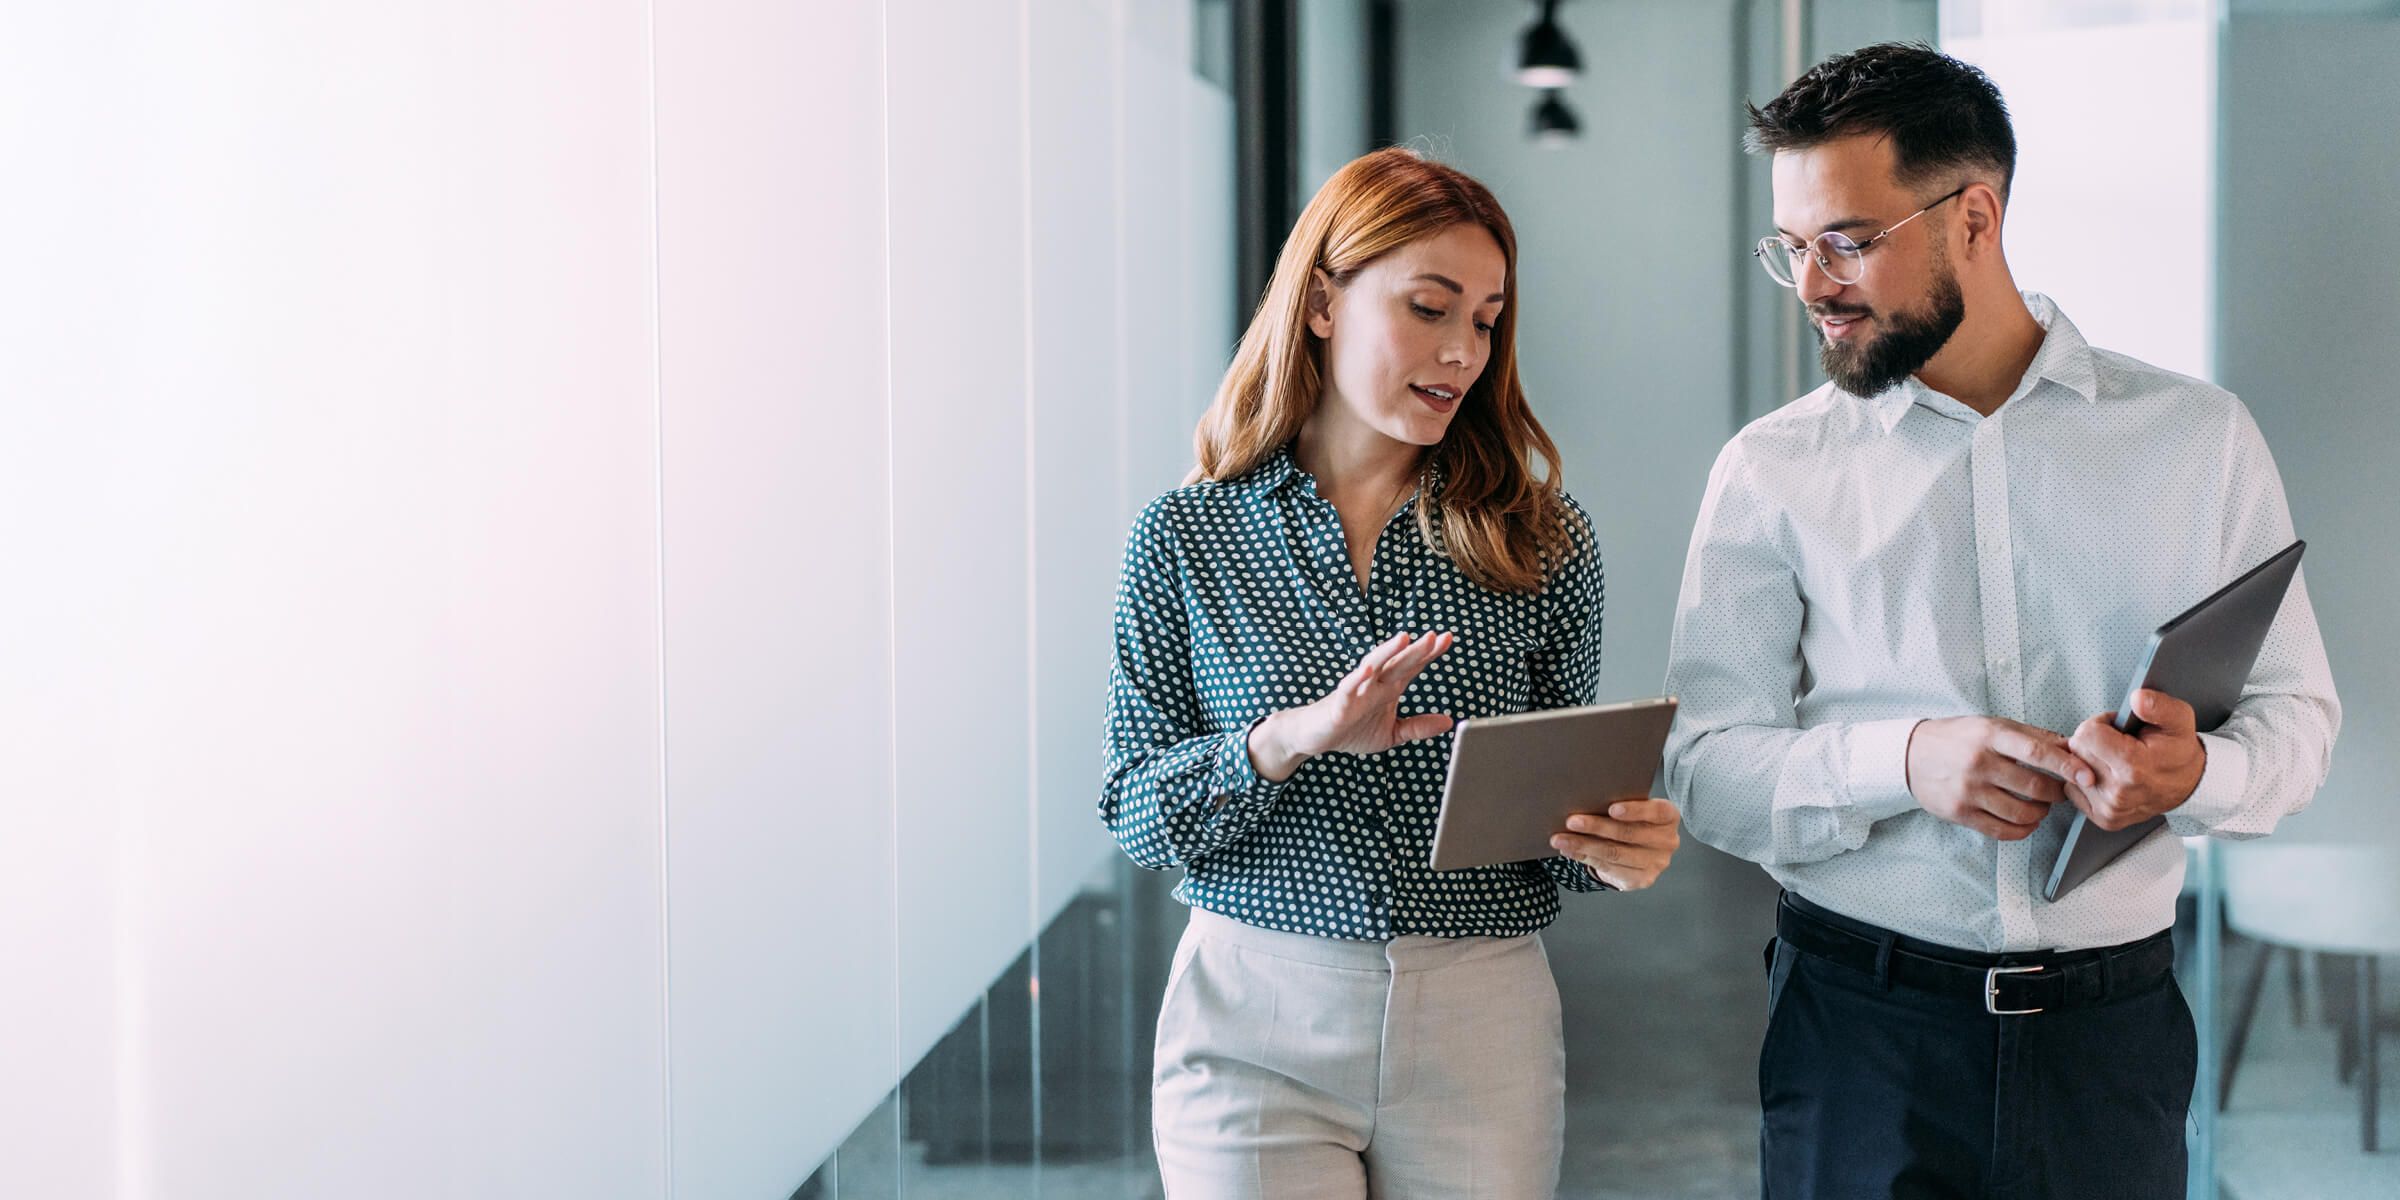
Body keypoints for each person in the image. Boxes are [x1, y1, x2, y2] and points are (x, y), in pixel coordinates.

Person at [1663, 43, 2342, 1198]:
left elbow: (2299, 723)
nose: (1817, 283)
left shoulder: (2196, 439)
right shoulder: (1770, 470)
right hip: (1860, 1039)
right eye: (1794, 249)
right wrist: (1906, 761)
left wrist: (2192, 778)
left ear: (1973, 217)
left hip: (2112, 1042)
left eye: (1848, 239)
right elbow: (1704, 771)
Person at [1101, 146, 1682, 1199]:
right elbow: (1138, 815)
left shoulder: (1542, 543)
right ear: (1323, 301)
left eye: (1487, 319)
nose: (1463, 350)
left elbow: (1553, 839)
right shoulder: (1185, 538)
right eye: (1430, 307)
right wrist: (1287, 740)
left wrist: (1611, 849)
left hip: (1479, 1021)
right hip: (1250, 1013)